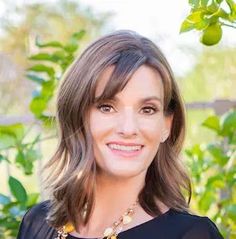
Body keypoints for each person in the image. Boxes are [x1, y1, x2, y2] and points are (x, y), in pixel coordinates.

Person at [17, 30, 223, 239]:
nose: (128, 128)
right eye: (107, 107)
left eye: (147, 109)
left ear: (166, 125)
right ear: (77, 115)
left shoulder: (192, 234)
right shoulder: (37, 223)